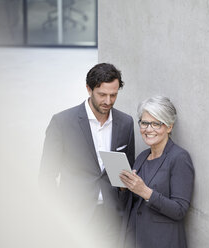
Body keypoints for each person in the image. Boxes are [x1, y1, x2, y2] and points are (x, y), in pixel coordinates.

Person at [39, 63, 135, 247]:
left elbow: (126, 172)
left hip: (111, 219)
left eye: (113, 95)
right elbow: (47, 175)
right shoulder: (62, 122)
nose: (108, 101)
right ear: (89, 89)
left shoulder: (126, 123)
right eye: (102, 95)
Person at [119, 96, 194, 248]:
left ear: (169, 127)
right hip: (135, 238)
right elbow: (134, 203)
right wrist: (124, 188)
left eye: (156, 124)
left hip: (163, 241)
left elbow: (179, 210)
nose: (148, 129)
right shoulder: (142, 156)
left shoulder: (179, 158)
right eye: (144, 123)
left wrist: (145, 192)